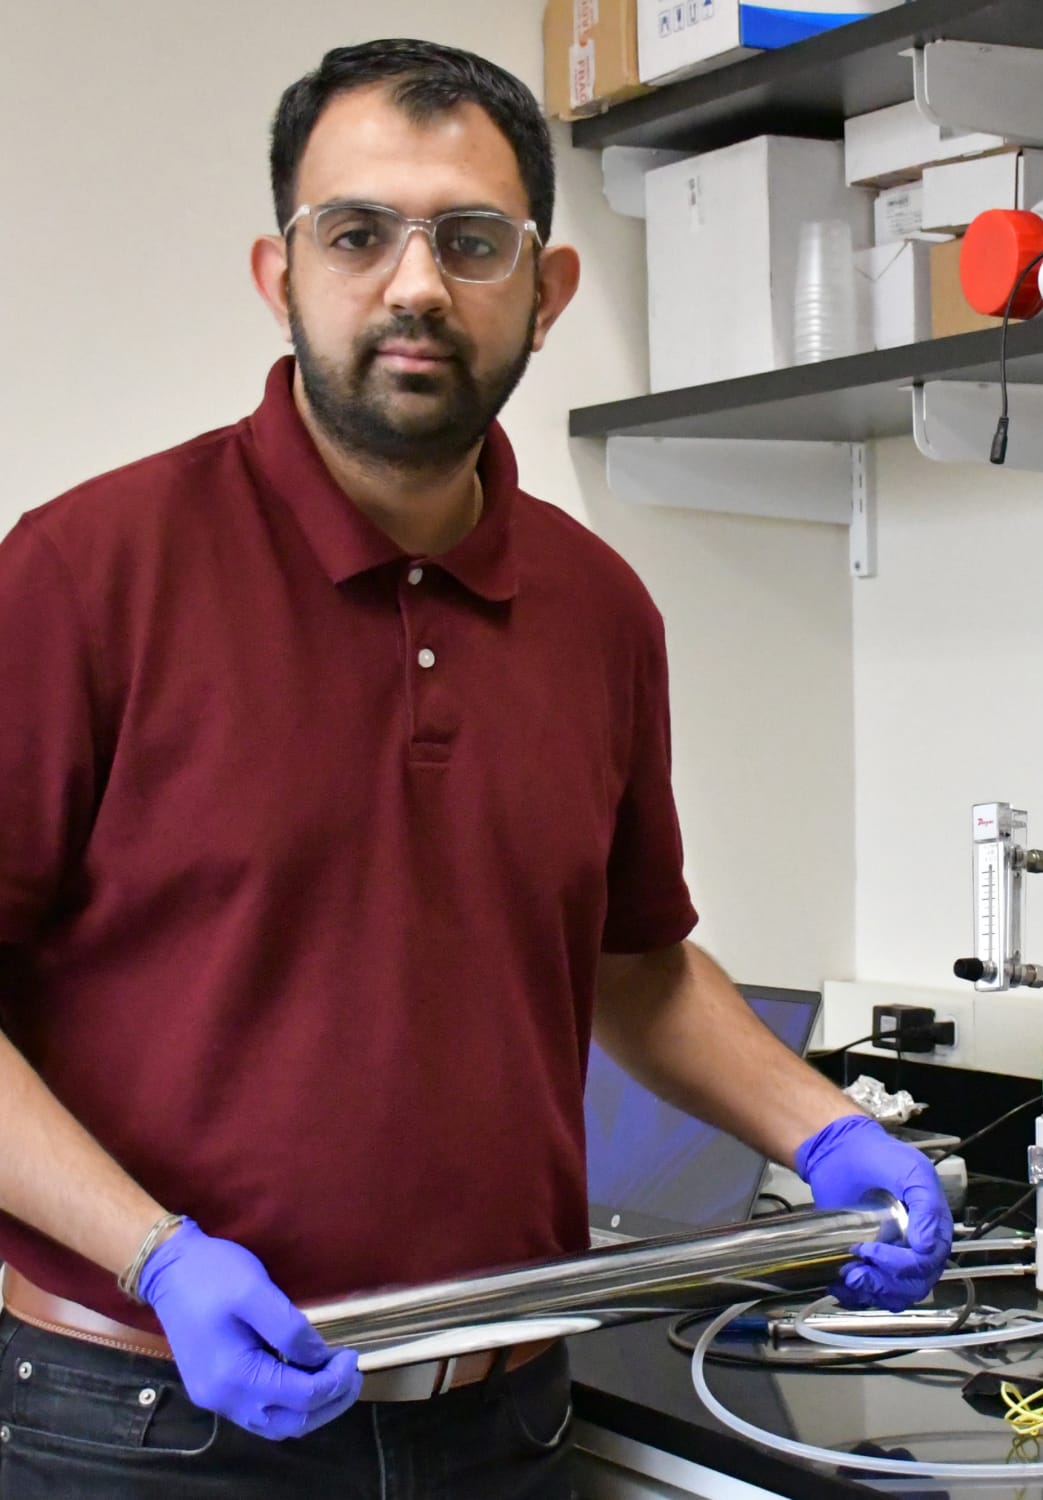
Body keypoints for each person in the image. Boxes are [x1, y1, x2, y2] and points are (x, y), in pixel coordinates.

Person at [0, 35, 951, 1500]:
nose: (416, 284)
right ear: (281, 273)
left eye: (471, 240)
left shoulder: (600, 611)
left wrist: (822, 1129)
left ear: (547, 289)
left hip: (500, 1420)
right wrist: (157, 1254)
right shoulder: (84, 576)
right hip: (143, 1423)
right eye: (358, 233)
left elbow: (634, 964)